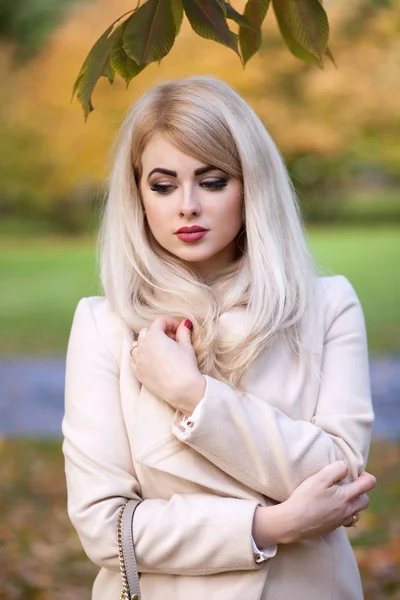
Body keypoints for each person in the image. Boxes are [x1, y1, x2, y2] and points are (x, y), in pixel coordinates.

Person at [62, 76, 376, 600]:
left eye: (212, 181)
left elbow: (338, 478)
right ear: (137, 195)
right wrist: (268, 526)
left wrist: (195, 396)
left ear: (251, 184)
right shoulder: (105, 325)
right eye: (162, 185)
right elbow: (105, 528)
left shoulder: (326, 306)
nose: (187, 205)